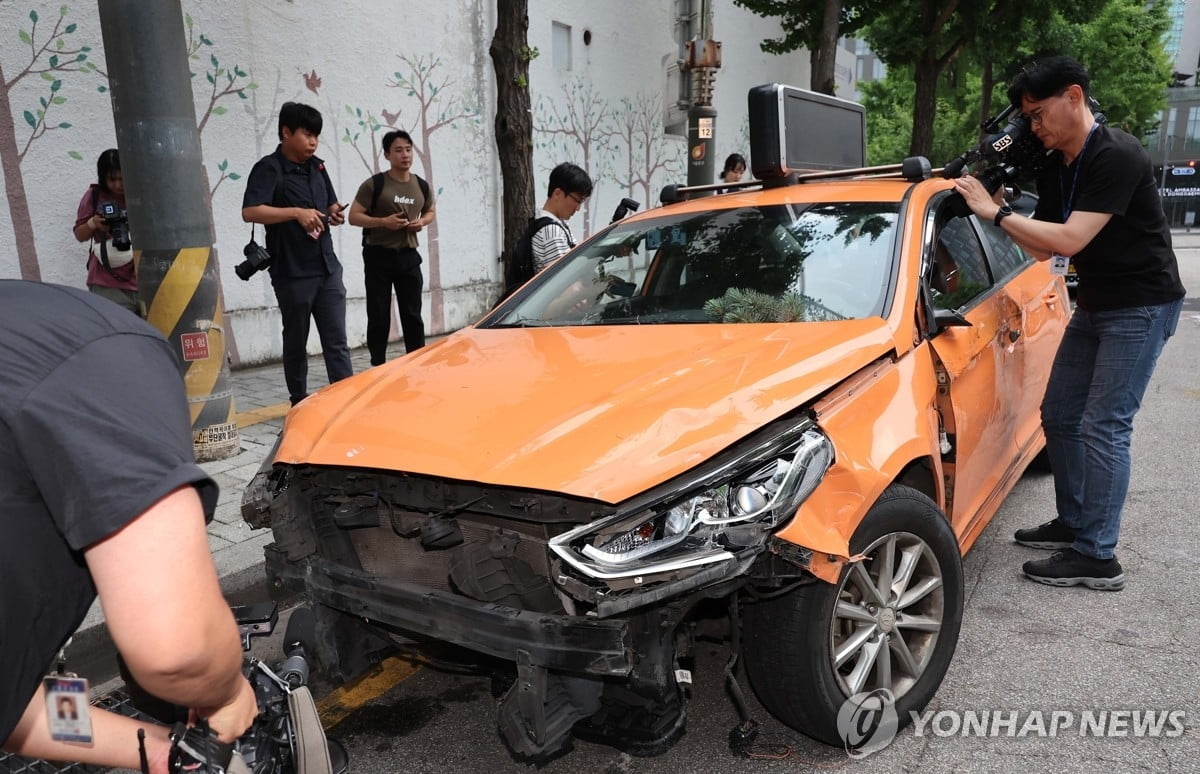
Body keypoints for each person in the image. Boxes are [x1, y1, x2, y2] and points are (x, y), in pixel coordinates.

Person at [0, 280, 257, 773]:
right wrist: (227, 694)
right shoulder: (109, 349)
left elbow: (14, 703)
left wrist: (166, 752)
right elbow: (180, 650)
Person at [953, 56, 1185, 591]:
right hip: (1100, 303)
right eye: (1028, 119)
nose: (1034, 127)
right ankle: (1075, 521)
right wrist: (1004, 213)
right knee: (1058, 414)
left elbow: (1071, 240)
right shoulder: (1059, 164)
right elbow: (1041, 250)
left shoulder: (1116, 154)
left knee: (1105, 424)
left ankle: (1098, 556)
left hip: (1142, 304)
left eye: (1038, 114)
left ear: (1074, 97)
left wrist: (994, 214)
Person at [242, 101, 354, 405]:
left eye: (316, 135)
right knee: (296, 341)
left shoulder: (318, 166)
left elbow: (329, 203)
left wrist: (335, 212)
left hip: (328, 268)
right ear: (286, 132)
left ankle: (345, 402)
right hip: (292, 272)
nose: (313, 142)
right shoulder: (269, 168)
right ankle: (299, 402)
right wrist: (295, 213)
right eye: (307, 134)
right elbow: (250, 211)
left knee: (337, 342)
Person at [348, 130, 437, 364]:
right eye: (398, 150)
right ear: (387, 154)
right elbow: (353, 216)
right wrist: (382, 222)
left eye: (408, 149)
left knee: (412, 315)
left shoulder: (421, 185)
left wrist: (423, 222)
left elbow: (430, 211)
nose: (405, 155)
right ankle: (378, 363)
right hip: (378, 256)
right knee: (378, 315)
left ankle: (417, 363)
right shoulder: (374, 184)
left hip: (408, 256)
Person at [73, 149, 140, 316]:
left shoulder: (141, 193)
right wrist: (93, 223)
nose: (118, 185)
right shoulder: (94, 196)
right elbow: (80, 235)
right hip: (106, 283)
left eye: (122, 179)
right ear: (102, 177)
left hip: (141, 278)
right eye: (112, 179)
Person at [531, 162, 592, 272]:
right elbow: (566, 279)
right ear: (557, 194)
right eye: (577, 201)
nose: (577, 208)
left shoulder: (553, 224)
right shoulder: (551, 232)